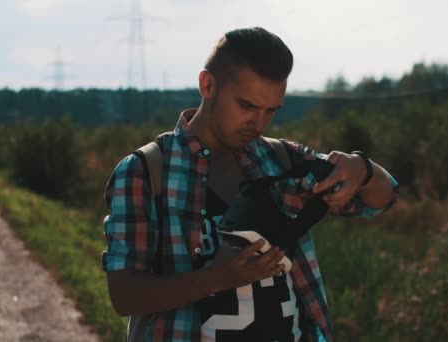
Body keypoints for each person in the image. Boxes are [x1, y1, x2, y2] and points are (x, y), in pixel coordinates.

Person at [102, 27, 399, 342]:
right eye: (246, 106)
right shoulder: (146, 171)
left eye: (270, 110)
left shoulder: (283, 160)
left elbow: (381, 199)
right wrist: (215, 279)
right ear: (207, 85)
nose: (258, 124)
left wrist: (362, 169)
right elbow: (124, 295)